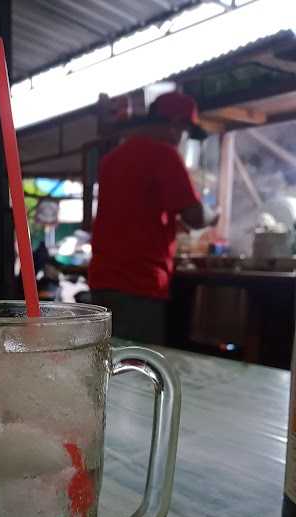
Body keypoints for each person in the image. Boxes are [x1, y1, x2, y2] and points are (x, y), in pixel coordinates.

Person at [89, 91, 219, 343]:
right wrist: (213, 216)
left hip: (103, 279)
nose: (182, 139)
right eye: (184, 132)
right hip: (139, 281)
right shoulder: (164, 155)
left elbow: (132, 213)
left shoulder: (113, 159)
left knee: (108, 359)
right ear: (175, 124)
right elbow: (194, 216)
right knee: (139, 368)